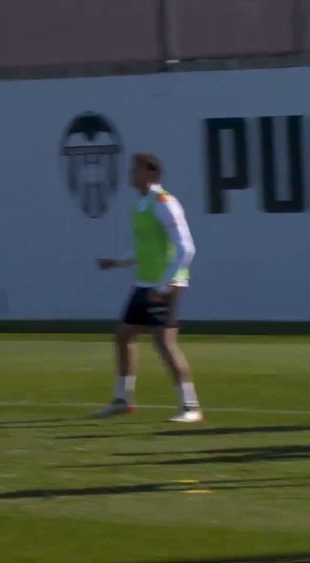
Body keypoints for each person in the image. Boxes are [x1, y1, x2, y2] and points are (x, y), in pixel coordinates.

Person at [94, 153, 200, 423]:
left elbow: (187, 248)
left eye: (135, 169)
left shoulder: (164, 203)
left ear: (150, 174)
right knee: (123, 335)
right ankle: (123, 399)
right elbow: (145, 249)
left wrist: (164, 285)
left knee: (164, 342)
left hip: (166, 283)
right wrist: (117, 262)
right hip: (145, 282)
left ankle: (190, 407)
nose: (130, 173)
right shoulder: (140, 205)